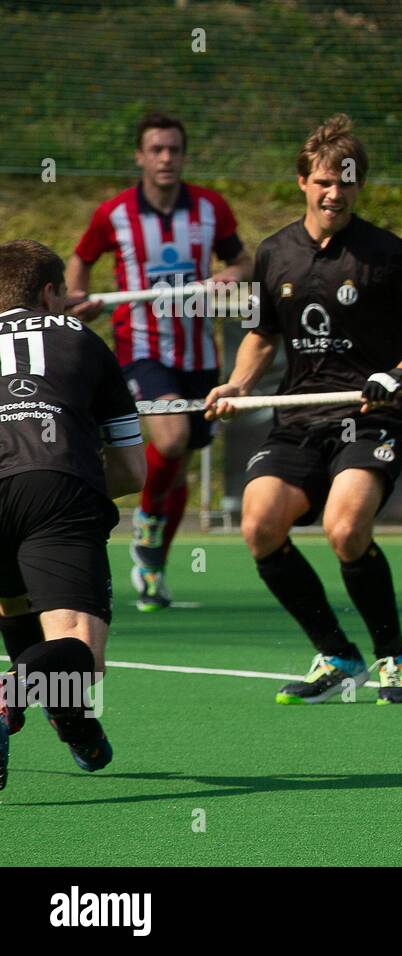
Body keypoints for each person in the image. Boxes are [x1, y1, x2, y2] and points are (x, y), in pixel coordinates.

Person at [205, 114, 402, 705]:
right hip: (299, 418)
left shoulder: (388, 254)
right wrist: (236, 384)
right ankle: (338, 654)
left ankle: (393, 654)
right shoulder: (274, 254)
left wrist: (401, 371)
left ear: (359, 186)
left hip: (372, 415)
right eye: (324, 180)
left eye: (347, 181)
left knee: (345, 529)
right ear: (303, 182)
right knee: (259, 526)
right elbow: (262, 334)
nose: (335, 192)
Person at [65, 112, 253, 612]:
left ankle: (152, 566)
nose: (166, 158)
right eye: (156, 149)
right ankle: (145, 517)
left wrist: (230, 277)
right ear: (140, 157)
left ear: (183, 156)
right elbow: (82, 258)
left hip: (199, 353)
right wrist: (77, 295)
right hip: (142, 348)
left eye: (174, 149)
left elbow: (243, 261)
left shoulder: (211, 209)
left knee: (181, 459)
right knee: (170, 439)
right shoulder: (115, 214)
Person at [0, 240, 147, 791]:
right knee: (79, 648)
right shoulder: (84, 339)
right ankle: (10, 694)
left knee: (14, 600)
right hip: (54, 484)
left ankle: (74, 725)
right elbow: (132, 471)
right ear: (49, 292)